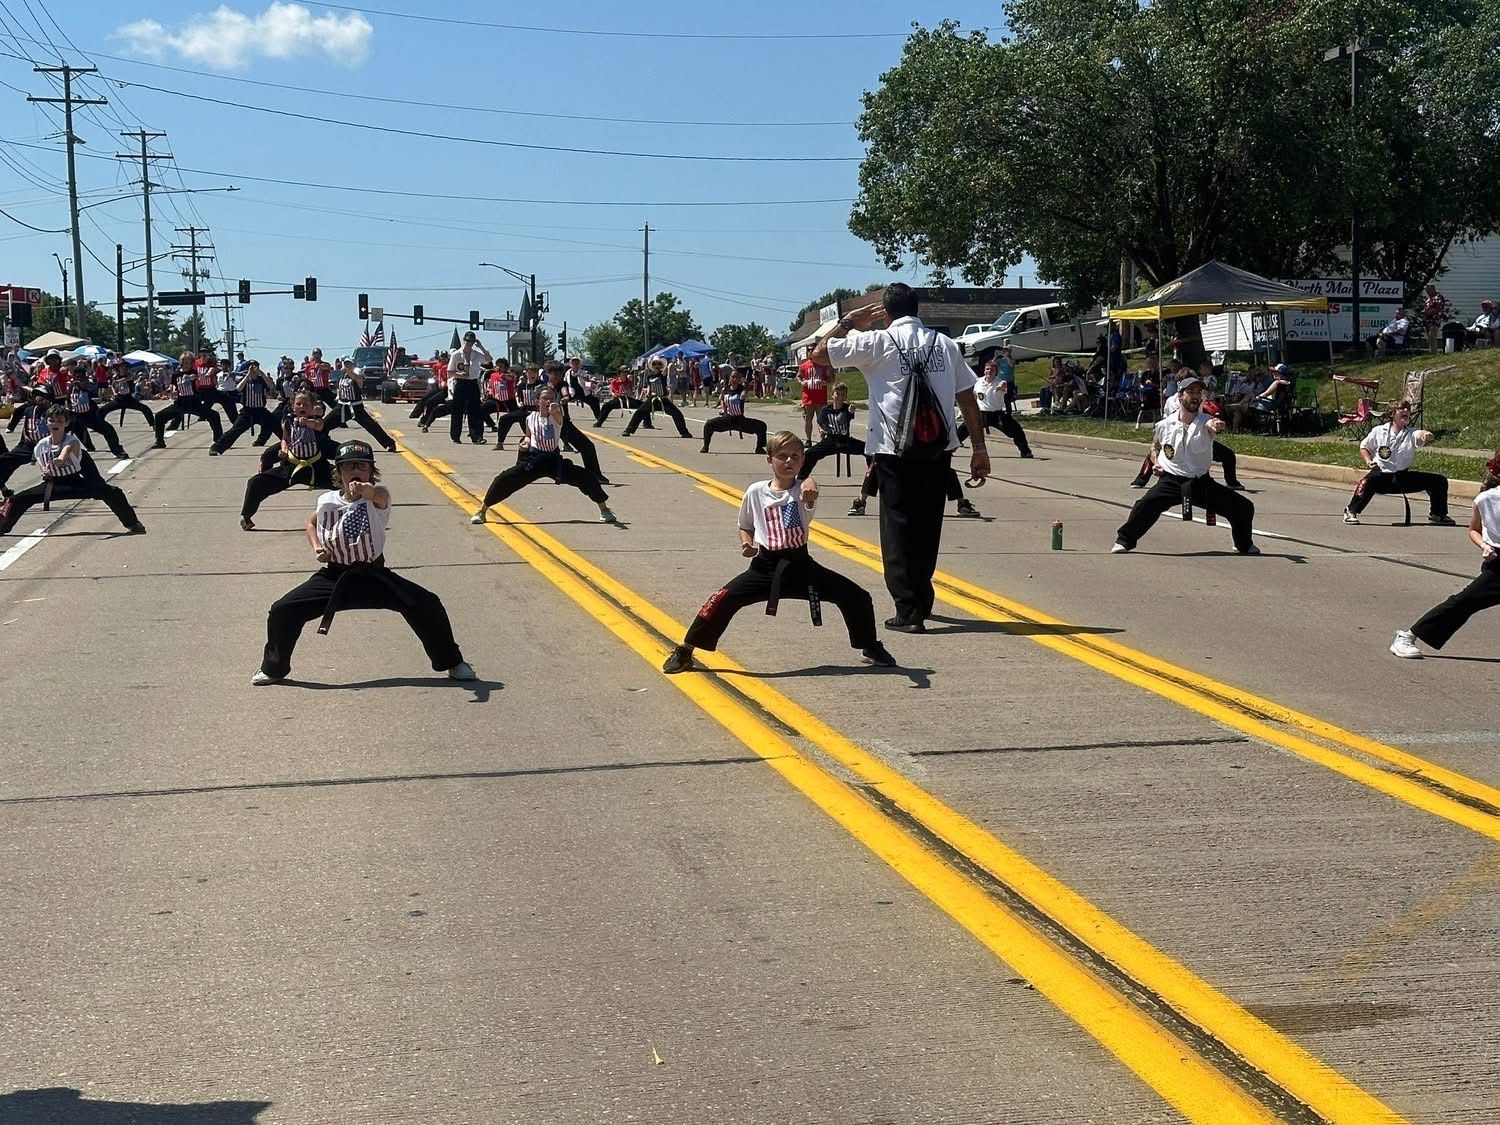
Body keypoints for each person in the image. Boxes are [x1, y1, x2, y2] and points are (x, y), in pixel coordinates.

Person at [814, 282, 989, 633]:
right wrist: (980, 449)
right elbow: (968, 398)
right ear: (918, 309)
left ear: (886, 312)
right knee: (927, 527)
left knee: (897, 530)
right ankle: (921, 599)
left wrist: (849, 321)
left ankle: (908, 610)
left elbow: (820, 353)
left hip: (894, 449)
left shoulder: (878, 342)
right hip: (938, 448)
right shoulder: (945, 344)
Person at [660, 431, 894, 674]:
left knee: (857, 596)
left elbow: (809, 492)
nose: (789, 462)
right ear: (769, 460)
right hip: (765, 567)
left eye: (795, 456)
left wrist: (811, 484)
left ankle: (869, 646)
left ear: (803, 460)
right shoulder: (756, 492)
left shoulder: (804, 491)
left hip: (801, 566)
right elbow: (745, 525)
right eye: (782, 456)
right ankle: (686, 650)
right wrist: (746, 543)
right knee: (721, 601)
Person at [253, 439, 475, 685]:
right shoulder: (327, 500)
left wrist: (366, 491)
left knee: (426, 604)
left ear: (371, 470)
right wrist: (317, 547)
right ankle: (273, 668)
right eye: (348, 467)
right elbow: (311, 524)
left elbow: (375, 494)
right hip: (334, 577)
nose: (355, 471)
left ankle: (453, 663)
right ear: (338, 472)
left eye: (362, 466)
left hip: (373, 576)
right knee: (283, 610)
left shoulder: (378, 497)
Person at [1113, 375, 1258, 555]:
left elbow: (1213, 424)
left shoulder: (1205, 420)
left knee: (1243, 507)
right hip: (1171, 481)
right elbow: (1155, 446)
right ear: (1180, 396)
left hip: (1200, 483)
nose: (1195, 396)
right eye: (1190, 392)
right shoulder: (1165, 425)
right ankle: (1124, 541)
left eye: (1199, 392)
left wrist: (1217, 425)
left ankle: (1243, 545)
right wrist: (1156, 463)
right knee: (1145, 505)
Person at [1391, 454, 1500, 658]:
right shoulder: (1487, 499)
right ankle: (1407, 637)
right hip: (1498, 564)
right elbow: (1473, 530)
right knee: (1464, 602)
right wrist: (1484, 545)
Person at [471, 387, 618, 525]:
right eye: (545, 398)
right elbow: (529, 435)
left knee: (585, 477)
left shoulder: (556, 417)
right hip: (534, 459)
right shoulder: (531, 418)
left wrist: (556, 408)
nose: (549, 401)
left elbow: (558, 414)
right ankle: (482, 511)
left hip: (553, 460)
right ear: (537, 401)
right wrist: (526, 442)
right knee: (503, 480)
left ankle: (604, 510)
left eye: (552, 398)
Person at [0, 405, 145, 536]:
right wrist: (46, 471)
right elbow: (41, 463)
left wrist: (60, 460)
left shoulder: (71, 441)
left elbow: (68, 450)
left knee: (112, 492)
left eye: (59, 421)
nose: (55, 424)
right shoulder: (41, 445)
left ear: (67, 423)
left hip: (76, 482)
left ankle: (133, 524)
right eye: (51, 420)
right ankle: (2, 527)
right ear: (46, 422)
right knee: (17, 499)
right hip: (53, 484)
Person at [1342, 400, 1453, 525]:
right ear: (1392, 413)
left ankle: (1438, 514)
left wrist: (1427, 435)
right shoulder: (1378, 431)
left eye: (1408, 409)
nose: (1406, 411)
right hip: (1381, 474)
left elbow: (1420, 435)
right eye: (1402, 409)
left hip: (1401, 477)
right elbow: (1365, 447)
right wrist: (1368, 461)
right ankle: (1351, 511)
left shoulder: (1410, 433)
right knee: (1366, 482)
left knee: (1439, 481)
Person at [240, 389, 334, 531]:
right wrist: (284, 450)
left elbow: (319, 426)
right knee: (255, 482)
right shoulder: (288, 421)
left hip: (316, 466)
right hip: (292, 466)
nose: (302, 407)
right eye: (299, 404)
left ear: (313, 407)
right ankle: (246, 517)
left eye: (306, 405)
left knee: (344, 481)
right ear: (293, 406)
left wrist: (307, 422)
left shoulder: (316, 420)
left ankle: (363, 510)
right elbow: (285, 439)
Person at [325, 358, 397, 452]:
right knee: (326, 424)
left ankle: (389, 443)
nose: (346, 366)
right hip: (342, 406)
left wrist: (349, 371)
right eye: (345, 364)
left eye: (349, 364)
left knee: (372, 426)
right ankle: (322, 441)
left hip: (356, 407)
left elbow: (358, 380)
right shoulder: (342, 377)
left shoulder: (358, 374)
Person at [210, 360, 281, 454]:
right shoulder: (244, 379)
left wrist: (261, 373)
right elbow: (238, 388)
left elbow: (271, 386)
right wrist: (248, 375)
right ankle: (216, 448)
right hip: (247, 412)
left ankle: (290, 445)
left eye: (256, 367)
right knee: (234, 430)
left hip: (261, 411)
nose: (253, 369)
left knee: (276, 425)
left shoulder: (262, 380)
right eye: (251, 367)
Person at [968, 357, 1033, 458]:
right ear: (984, 370)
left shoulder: (999, 382)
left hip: (996, 414)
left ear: (996, 372)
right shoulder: (978, 382)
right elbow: (974, 394)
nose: (989, 371)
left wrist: (1001, 386)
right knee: (964, 428)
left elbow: (1004, 384)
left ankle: (1025, 451)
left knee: (1016, 430)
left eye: (992, 370)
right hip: (981, 414)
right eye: (987, 369)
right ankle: (948, 450)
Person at [798, 382, 864, 481]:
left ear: (846, 396)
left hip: (845, 440)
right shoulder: (826, 410)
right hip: (831, 440)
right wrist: (822, 430)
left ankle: (872, 481)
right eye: (838, 394)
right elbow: (820, 422)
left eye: (843, 394)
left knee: (871, 451)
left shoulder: (847, 408)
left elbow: (851, 412)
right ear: (832, 395)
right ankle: (801, 478)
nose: (840, 397)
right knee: (810, 453)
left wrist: (852, 410)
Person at [152, 360, 225, 448]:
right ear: (182, 363)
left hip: (194, 403)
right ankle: (159, 441)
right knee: (159, 416)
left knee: (214, 415)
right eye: (186, 363)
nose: (188, 365)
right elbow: (173, 386)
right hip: (180, 403)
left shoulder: (194, 373)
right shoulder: (176, 374)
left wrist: (196, 378)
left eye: (190, 363)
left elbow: (200, 381)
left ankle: (219, 441)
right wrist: (171, 390)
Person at [700, 368, 768, 454]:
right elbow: (721, 399)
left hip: (740, 420)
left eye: (737, 377)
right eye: (733, 377)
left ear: (739, 379)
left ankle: (759, 448)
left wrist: (746, 390)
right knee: (708, 424)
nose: (735, 379)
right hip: (727, 419)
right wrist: (723, 408)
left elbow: (743, 395)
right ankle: (705, 447)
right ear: (730, 378)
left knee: (761, 426)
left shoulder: (741, 389)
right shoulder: (726, 389)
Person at [624, 357, 693, 438]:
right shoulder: (649, 376)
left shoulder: (663, 375)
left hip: (662, 399)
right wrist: (648, 393)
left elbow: (668, 369)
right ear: (652, 366)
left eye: (659, 364)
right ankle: (628, 430)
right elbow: (649, 386)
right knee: (639, 412)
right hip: (652, 399)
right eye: (655, 364)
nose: (657, 365)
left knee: (677, 414)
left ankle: (684, 432)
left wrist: (672, 362)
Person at [447, 331, 491, 444]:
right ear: (464, 340)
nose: (469, 343)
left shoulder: (476, 354)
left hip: (472, 383)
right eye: (468, 341)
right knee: (457, 411)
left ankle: (476, 436)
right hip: (461, 383)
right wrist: (459, 374)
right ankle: (455, 436)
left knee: (475, 411)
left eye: (472, 341)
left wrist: (481, 346)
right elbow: (450, 372)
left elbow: (489, 359)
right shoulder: (456, 354)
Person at [101, 359, 155, 431]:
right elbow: (112, 385)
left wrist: (117, 381)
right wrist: (114, 392)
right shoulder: (115, 376)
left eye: (125, 367)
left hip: (129, 399)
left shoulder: (129, 375)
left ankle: (154, 425)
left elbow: (127, 379)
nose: (123, 368)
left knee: (145, 409)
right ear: (119, 368)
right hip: (119, 399)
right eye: (121, 367)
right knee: (102, 410)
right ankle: (100, 425)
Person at [797, 358, 830, 443]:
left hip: (820, 398)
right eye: (809, 350)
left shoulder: (824, 365)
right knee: (808, 420)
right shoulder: (804, 365)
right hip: (808, 397)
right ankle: (808, 440)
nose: (811, 352)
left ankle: (824, 439)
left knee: (821, 419)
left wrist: (823, 382)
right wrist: (801, 382)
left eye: (813, 349)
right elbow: (798, 376)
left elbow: (830, 379)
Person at [1420, 283, 1450, 352]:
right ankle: (1431, 351)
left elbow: (1438, 309)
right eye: (1426, 290)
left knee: (1432, 337)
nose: (1427, 292)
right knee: (1429, 339)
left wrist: (1427, 312)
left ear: (1433, 289)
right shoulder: (1428, 299)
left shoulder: (1438, 297)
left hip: (1434, 321)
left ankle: (1434, 353)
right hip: (1427, 321)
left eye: (1428, 290)